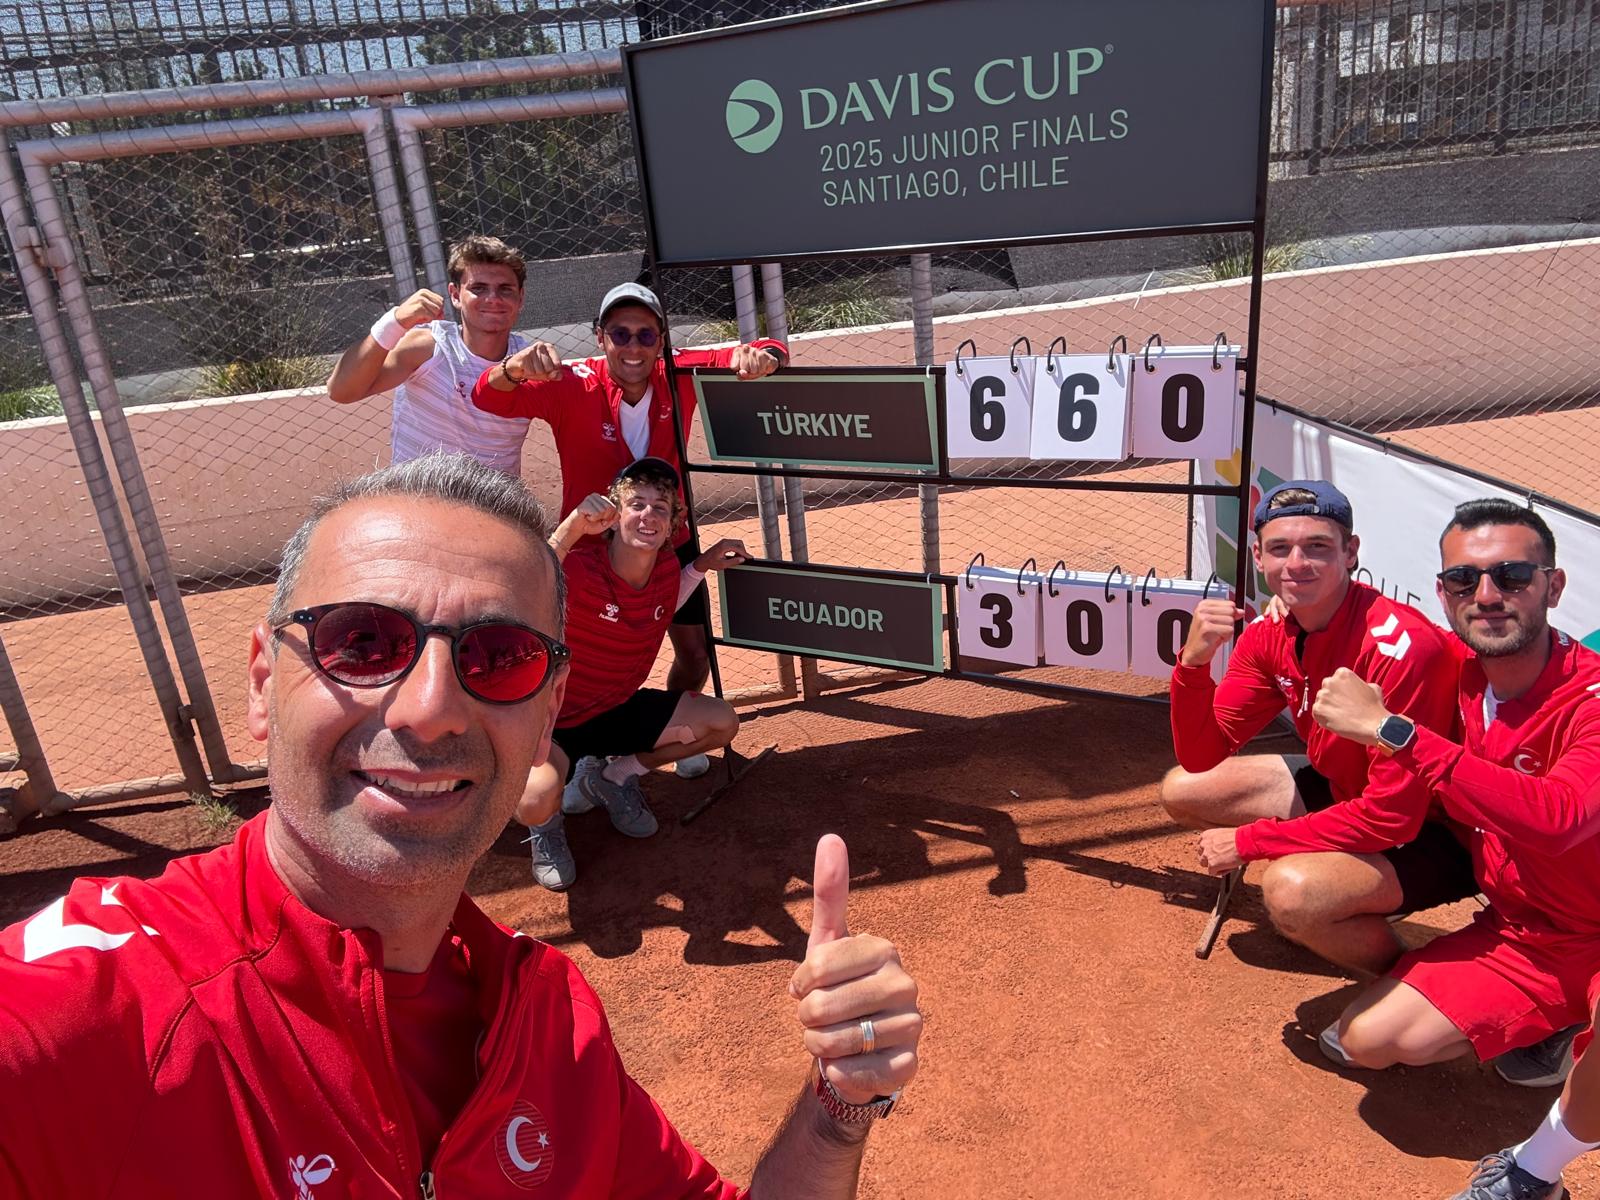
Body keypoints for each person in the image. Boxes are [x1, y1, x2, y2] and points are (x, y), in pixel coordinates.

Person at [0, 452, 923, 1197]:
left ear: (546, 704)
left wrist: (837, 1111)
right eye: (362, 642)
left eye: (500, 655)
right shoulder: (86, 1017)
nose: (431, 708)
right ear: (262, 681)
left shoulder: (549, 1022)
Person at [1300, 501, 1600, 1122]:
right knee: (1364, 1040)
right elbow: (1360, 617)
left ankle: (1563, 1041)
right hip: (1519, 927)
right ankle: (1545, 1017)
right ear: (1443, 595)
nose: (1487, 596)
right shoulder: (1458, 667)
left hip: (1591, 932)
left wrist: (1394, 732)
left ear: (1553, 586)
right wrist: (1295, 609)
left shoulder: (1590, 695)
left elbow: (1561, 817)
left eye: (1513, 576)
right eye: (1464, 580)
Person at [1163, 480, 1471, 976]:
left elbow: (1392, 818)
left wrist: (1250, 841)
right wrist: (1193, 664)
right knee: (1182, 787)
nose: (1296, 563)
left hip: (1435, 828)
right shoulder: (1271, 631)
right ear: (1258, 556)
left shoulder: (1402, 649)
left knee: (1292, 893)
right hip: (1348, 786)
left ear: (1350, 552)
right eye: (1280, 548)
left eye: (1318, 547)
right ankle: (1349, 903)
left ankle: (1416, 986)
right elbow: (1201, 755)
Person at [471, 281, 787, 716]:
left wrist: (765, 358)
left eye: (645, 335)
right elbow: (487, 396)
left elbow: (767, 348)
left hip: (667, 540)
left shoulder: (677, 372)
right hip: (588, 552)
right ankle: (571, 739)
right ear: (600, 336)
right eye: (620, 334)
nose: (633, 347)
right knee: (570, 658)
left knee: (696, 654)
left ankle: (668, 730)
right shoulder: (572, 383)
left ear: (661, 340)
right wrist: (512, 369)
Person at [520, 457, 749, 891]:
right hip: (555, 725)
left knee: (721, 722)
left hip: (618, 711)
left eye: (660, 508)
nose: (648, 515)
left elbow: (667, 600)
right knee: (534, 799)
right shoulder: (577, 568)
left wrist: (702, 564)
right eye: (636, 504)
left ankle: (613, 777)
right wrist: (570, 529)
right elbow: (526, 582)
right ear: (614, 515)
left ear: (672, 523)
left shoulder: (665, 572)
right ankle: (546, 830)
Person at [326, 234, 532, 474]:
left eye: (505, 290)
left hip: (494, 498)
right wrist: (394, 322)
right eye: (478, 288)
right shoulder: (427, 348)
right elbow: (341, 391)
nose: (493, 299)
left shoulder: (528, 364)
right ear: (455, 295)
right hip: (418, 495)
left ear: (520, 298)